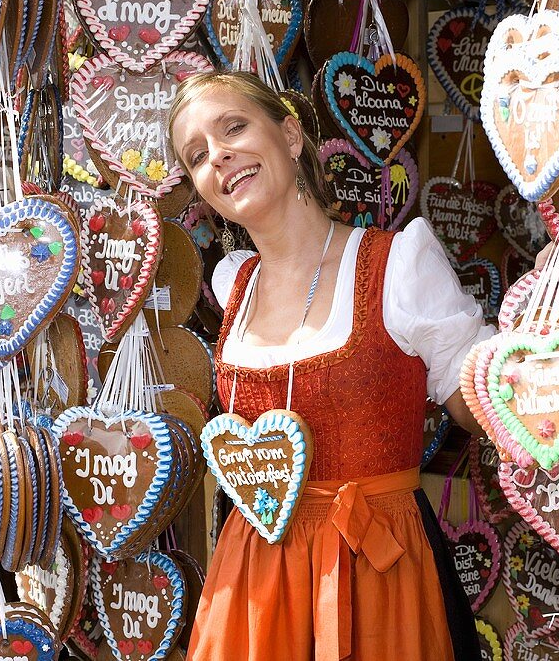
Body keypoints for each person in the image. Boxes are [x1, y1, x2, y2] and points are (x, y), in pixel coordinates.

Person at [168, 71, 495, 661]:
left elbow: (474, 407)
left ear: (290, 136)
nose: (219, 156)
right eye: (197, 155)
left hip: (376, 571)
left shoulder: (396, 266)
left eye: (234, 127)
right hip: (254, 585)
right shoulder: (233, 284)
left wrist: (531, 356)